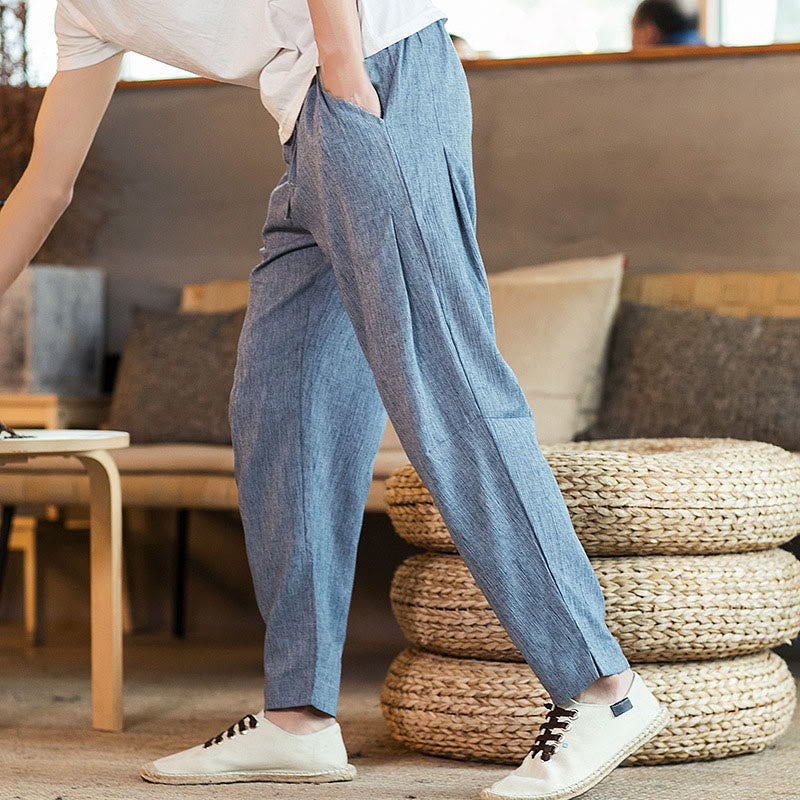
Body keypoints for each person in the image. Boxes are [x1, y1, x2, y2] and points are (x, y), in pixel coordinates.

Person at [0, 2, 671, 798]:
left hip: (371, 69)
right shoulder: (80, 13)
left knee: (442, 381)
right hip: (307, 127)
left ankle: (603, 688)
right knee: (281, 409)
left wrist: (345, 66)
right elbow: (47, 185)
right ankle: (300, 720)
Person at [632, 0, 707, 48]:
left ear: (649, 31)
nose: (632, 40)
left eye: (633, 29)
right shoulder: (710, 56)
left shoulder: (657, 65)